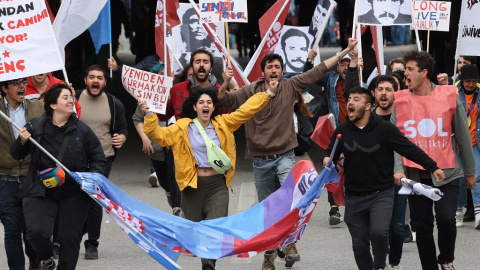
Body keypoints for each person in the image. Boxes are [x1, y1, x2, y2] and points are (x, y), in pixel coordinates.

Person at [219, 38, 357, 270]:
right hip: (260, 162)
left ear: (282, 71)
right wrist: (224, 82)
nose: (274, 70)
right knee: (269, 213)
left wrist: (345, 51)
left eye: (277, 67)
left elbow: (319, 70)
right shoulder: (250, 90)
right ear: (263, 72)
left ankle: (291, 245)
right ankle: (269, 256)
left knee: (293, 203)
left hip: (285, 157)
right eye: (269, 67)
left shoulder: (291, 85)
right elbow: (224, 101)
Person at [142, 87, 277, 270]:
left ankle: (208, 265)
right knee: (197, 234)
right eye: (201, 102)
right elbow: (159, 135)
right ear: (195, 107)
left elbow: (245, 111)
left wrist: (266, 94)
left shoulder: (224, 123)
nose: (205, 105)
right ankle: (206, 261)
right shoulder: (183, 127)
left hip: (217, 186)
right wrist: (149, 114)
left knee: (214, 230)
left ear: (213, 107)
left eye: (209, 102)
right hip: (192, 187)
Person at [323, 86, 445, 270]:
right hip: (354, 196)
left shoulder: (385, 129)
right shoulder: (342, 130)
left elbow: (408, 148)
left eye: (356, 99)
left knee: (380, 233)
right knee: (359, 245)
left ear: (368, 106)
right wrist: (327, 160)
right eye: (349, 99)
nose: (350, 102)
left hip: (381, 193)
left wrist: (432, 166)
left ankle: (380, 265)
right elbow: (330, 152)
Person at [392, 51, 476, 270]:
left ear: (424, 73)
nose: (405, 73)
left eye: (409, 69)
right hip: (415, 178)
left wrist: (470, 171)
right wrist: (398, 169)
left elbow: (463, 136)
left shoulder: (449, 96)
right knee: (423, 227)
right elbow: (394, 140)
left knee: (447, 220)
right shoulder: (399, 100)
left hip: (448, 173)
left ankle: (446, 260)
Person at [10, 84, 106, 270]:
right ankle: (46, 260)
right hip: (40, 189)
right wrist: (21, 141)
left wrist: (90, 179)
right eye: (66, 97)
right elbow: (17, 154)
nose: (71, 100)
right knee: (36, 232)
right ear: (53, 105)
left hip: (73, 192)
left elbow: (98, 159)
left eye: (71, 97)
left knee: (70, 239)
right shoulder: (34, 126)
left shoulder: (82, 130)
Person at [76, 64, 128, 260]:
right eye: (91, 77)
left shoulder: (115, 104)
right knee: (73, 199)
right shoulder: (73, 99)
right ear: (85, 80)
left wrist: (122, 138)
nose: (95, 80)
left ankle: (92, 243)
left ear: (105, 82)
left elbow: (123, 128)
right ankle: (63, 238)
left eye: (99, 77)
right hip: (75, 159)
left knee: (94, 200)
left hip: (103, 158)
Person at [1, 78, 43, 270]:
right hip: (4, 179)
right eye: (16, 83)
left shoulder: (37, 107)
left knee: (31, 231)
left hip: (31, 177)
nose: (22, 86)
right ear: (4, 88)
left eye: (23, 82)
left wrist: (68, 99)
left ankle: (35, 262)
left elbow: (61, 120)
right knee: (11, 231)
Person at [371, 75, 408, 269]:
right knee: (378, 227)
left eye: (388, 89)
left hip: (399, 179)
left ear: (396, 93)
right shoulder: (367, 117)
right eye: (380, 89)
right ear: (374, 93)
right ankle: (381, 261)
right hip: (373, 180)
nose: (384, 93)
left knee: (398, 227)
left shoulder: (404, 117)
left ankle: (395, 261)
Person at [168, 49, 230, 120]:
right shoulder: (176, 90)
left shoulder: (222, 93)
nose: (201, 65)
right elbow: (162, 117)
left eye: (205, 62)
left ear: (211, 68)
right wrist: (166, 99)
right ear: (192, 67)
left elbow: (229, 122)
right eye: (197, 62)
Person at [453, 64, 480, 229]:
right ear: (462, 80)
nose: (470, 84)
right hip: (457, 142)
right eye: (467, 81)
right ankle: (458, 212)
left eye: (474, 81)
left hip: (475, 141)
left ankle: (478, 212)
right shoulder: (453, 93)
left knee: (476, 175)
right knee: (460, 180)